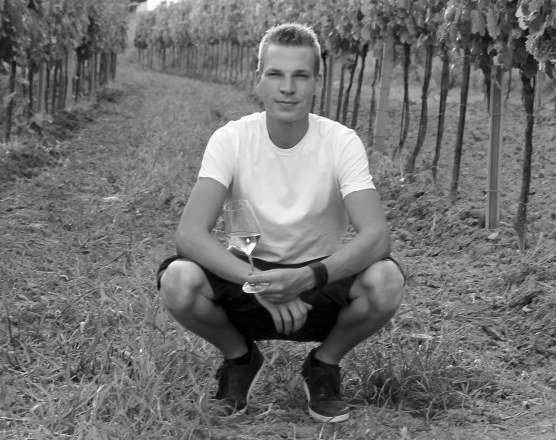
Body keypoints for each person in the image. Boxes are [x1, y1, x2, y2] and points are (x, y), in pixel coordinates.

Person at [156, 22, 405, 423]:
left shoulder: (341, 142)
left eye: (300, 75)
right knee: (178, 281)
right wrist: (258, 283)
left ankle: (323, 364)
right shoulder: (231, 139)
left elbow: (377, 237)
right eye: (276, 74)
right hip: (248, 277)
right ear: (259, 80)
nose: (287, 87)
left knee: (387, 280)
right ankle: (240, 358)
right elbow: (189, 234)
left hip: (319, 286)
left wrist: (305, 278)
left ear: (316, 83)